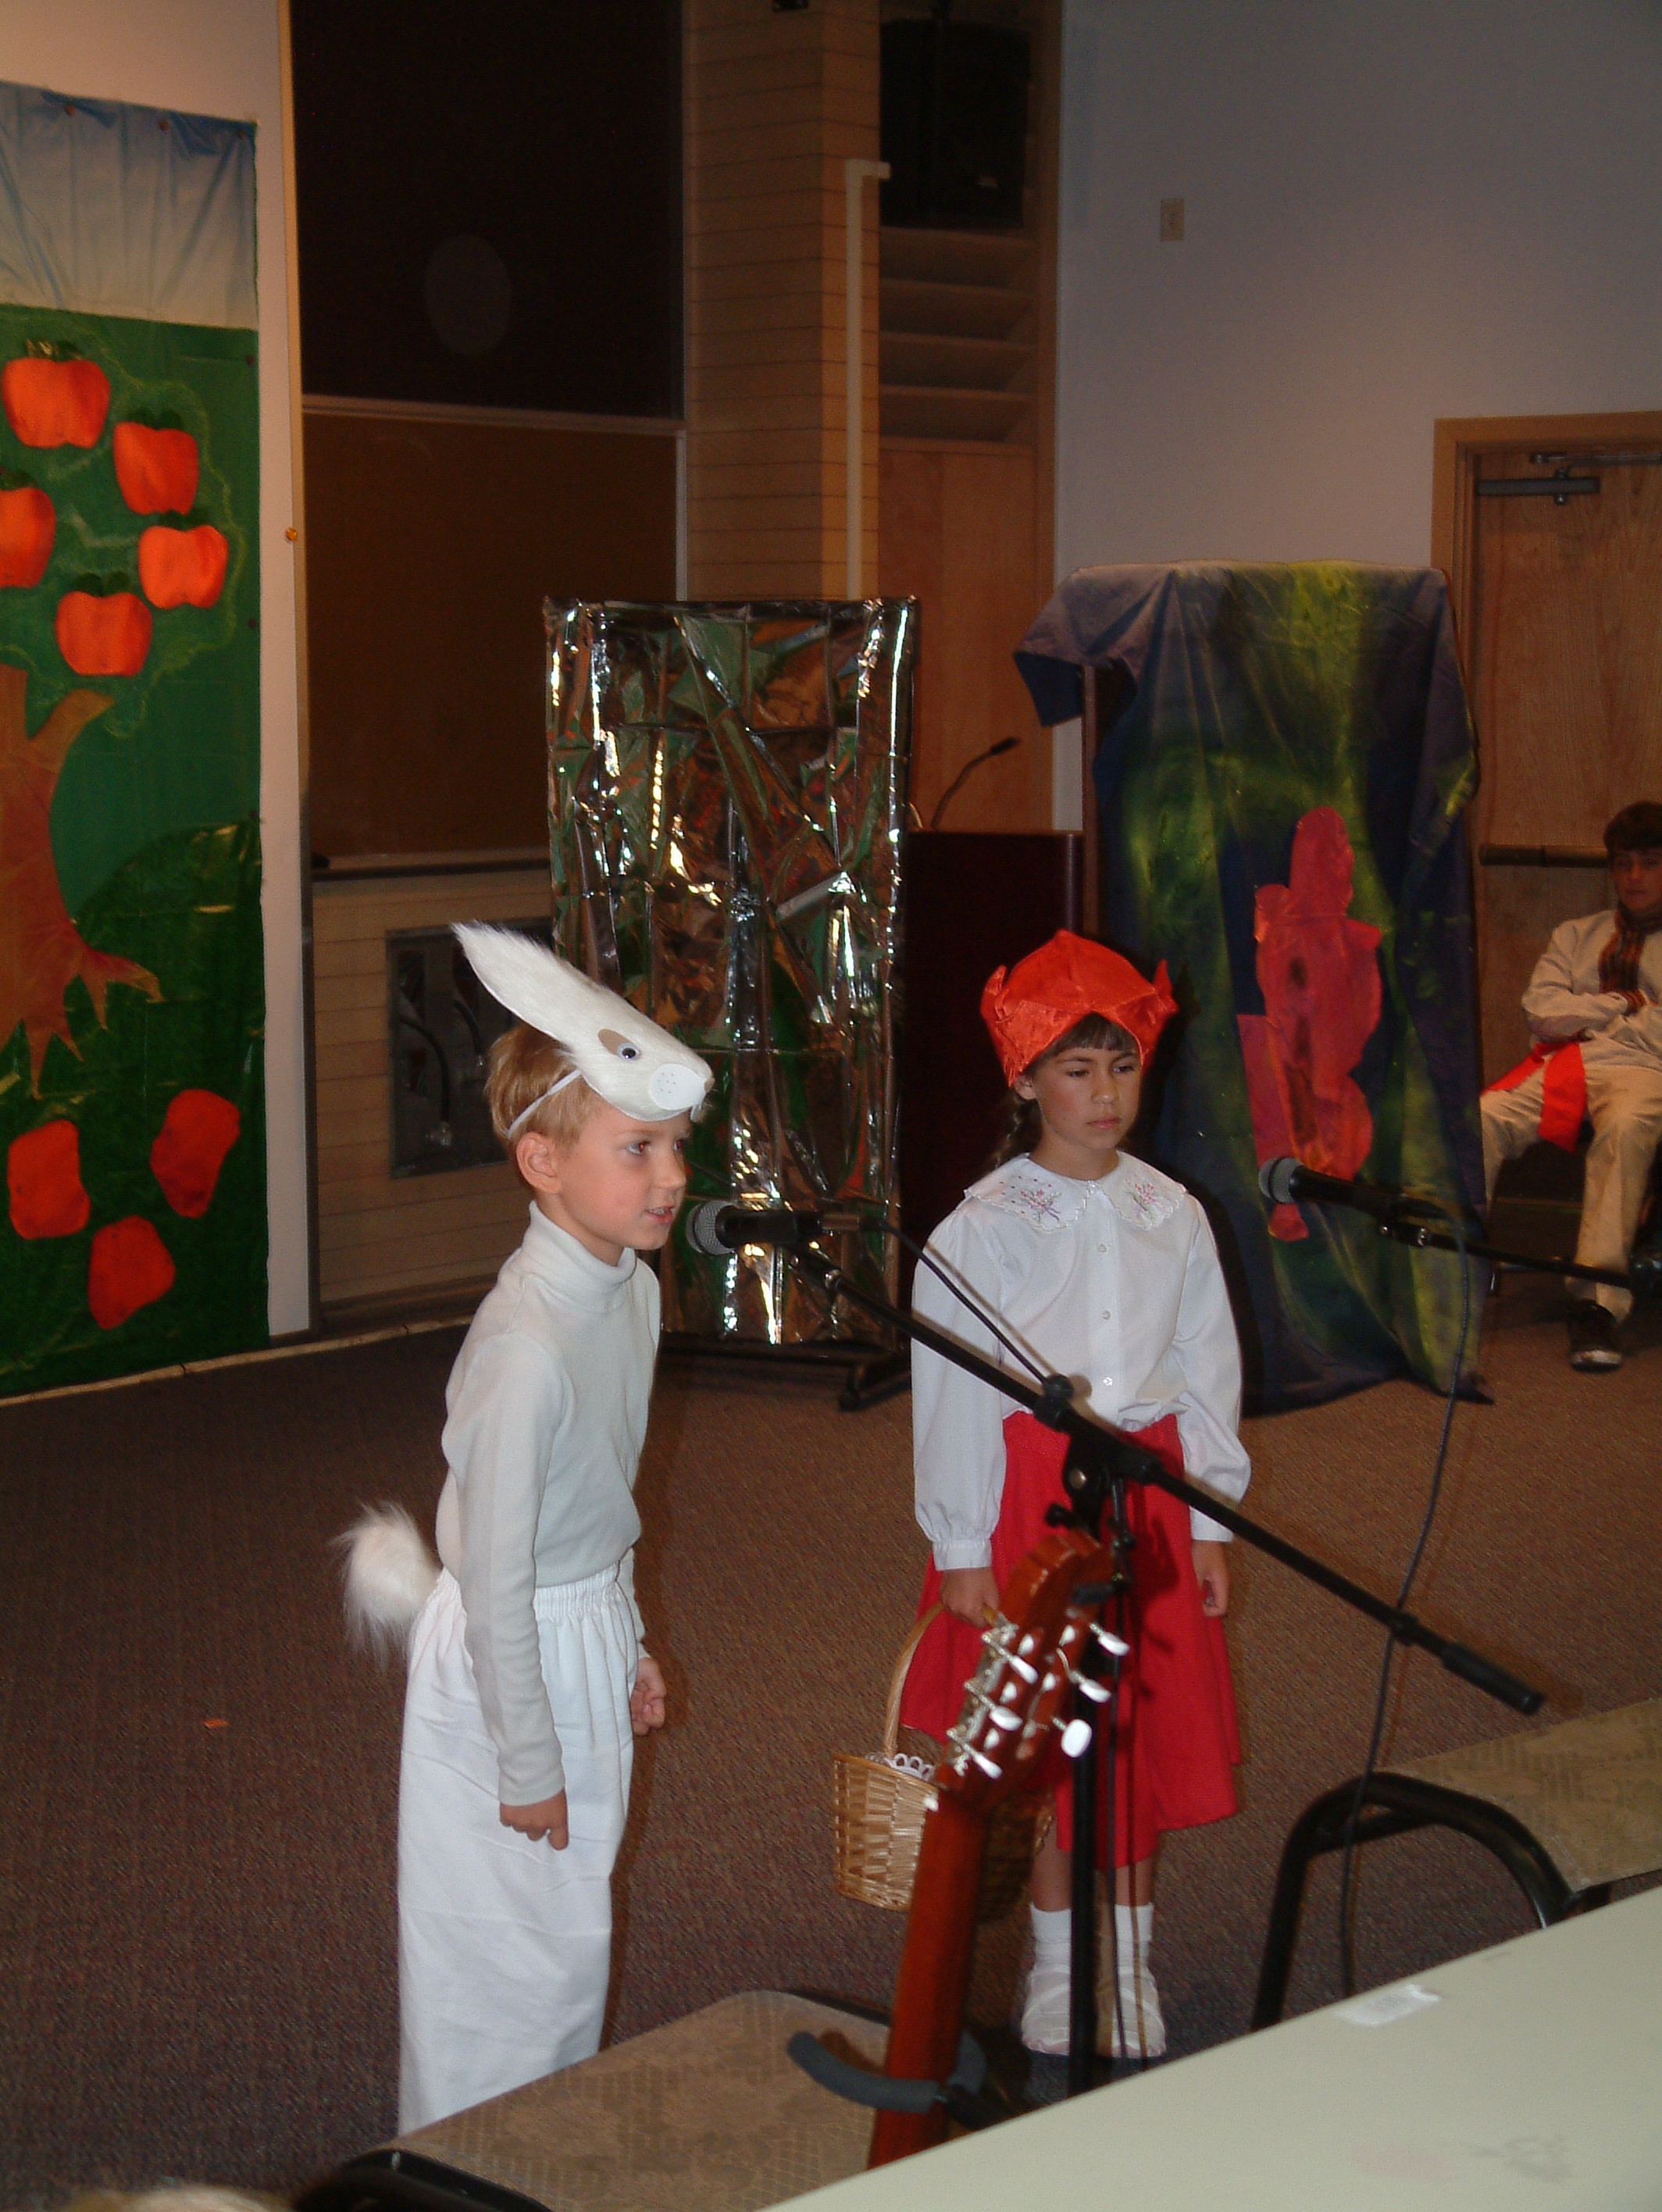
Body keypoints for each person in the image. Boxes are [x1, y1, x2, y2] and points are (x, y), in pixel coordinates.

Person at [342, 923, 712, 2132]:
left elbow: (604, 1500)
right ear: (542, 1161)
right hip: (514, 1658)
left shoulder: (631, 1293)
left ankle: (538, 2144)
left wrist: (630, 1639)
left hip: (580, 1624)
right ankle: (463, 2157)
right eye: (637, 1148)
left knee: (565, 1938)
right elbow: (497, 1570)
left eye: (676, 1146)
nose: (670, 1177)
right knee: (498, 1951)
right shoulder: (526, 1350)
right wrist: (529, 1759)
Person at [897, 930, 1247, 2061]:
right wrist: (962, 1546)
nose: (1105, 1095)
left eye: (1124, 1067)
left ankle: (1127, 1961)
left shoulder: (1172, 1214)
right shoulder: (983, 1228)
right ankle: (1057, 1964)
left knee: (1133, 1732)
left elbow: (1205, 1371)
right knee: (1047, 1741)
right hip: (1031, 1503)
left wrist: (1208, 1518)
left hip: (1146, 1494)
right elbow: (952, 1396)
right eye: (1077, 1069)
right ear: (1025, 1079)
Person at [1481, 802, 1662, 1372]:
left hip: (1645, 1074)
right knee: (1482, 1117)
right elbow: (1540, 1012)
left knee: (1626, 1129)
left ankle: (1596, 1303)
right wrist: (1626, 1004)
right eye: (1624, 863)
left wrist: (1586, 1015)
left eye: (1650, 863)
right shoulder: (1576, 934)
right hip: (1566, 1065)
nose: (1634, 876)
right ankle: (1452, 1272)